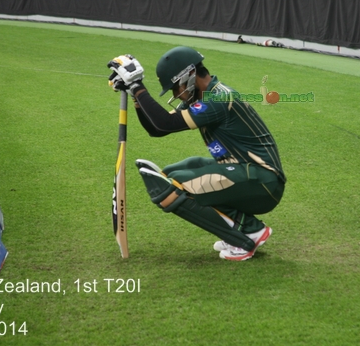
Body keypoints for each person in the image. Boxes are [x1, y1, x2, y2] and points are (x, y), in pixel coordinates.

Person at [107, 47, 286, 261]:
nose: (174, 94)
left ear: (190, 77)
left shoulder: (218, 99)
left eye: (175, 87)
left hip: (263, 180)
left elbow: (164, 123)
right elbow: (157, 129)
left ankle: (245, 237)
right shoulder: (205, 97)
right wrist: (135, 95)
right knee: (171, 173)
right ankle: (246, 228)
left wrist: (137, 86)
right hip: (248, 172)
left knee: (171, 187)